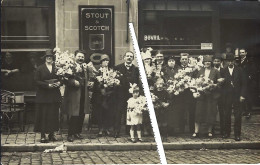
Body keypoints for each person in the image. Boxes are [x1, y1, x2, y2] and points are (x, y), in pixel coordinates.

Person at [34, 49, 62, 143]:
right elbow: (36, 81)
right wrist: (47, 85)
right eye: (47, 57)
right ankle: (43, 135)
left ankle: (52, 134)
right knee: (44, 115)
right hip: (44, 96)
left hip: (54, 95)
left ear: (53, 58)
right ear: (45, 58)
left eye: (51, 57)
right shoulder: (40, 68)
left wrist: (59, 83)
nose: (49, 58)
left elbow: (62, 78)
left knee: (53, 114)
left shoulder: (57, 68)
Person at [62, 50, 91, 142]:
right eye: (79, 56)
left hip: (83, 93)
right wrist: (73, 82)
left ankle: (77, 132)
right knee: (74, 114)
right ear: (75, 57)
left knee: (82, 114)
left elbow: (88, 78)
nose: (80, 58)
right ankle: (70, 134)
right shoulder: (70, 66)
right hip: (74, 94)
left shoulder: (85, 67)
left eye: (82, 57)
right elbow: (65, 79)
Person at [192, 55, 222, 138]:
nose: (207, 63)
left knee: (210, 113)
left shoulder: (215, 71)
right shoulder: (200, 70)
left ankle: (209, 131)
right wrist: (197, 89)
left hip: (211, 96)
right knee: (199, 113)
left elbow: (219, 84)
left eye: (209, 61)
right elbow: (195, 82)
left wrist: (213, 85)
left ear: (211, 63)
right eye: (206, 61)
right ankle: (196, 131)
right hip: (201, 96)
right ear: (203, 63)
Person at [114, 51, 140, 138]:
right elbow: (114, 81)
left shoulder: (136, 69)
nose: (129, 58)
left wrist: (135, 88)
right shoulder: (117, 68)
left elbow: (137, 81)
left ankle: (128, 130)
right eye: (127, 56)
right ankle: (116, 131)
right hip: (120, 94)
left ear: (133, 59)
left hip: (131, 95)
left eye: (131, 56)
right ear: (124, 58)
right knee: (119, 112)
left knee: (130, 112)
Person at [221, 54, 247, 141]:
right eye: (228, 61)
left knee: (238, 115)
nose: (230, 62)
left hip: (237, 96)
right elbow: (221, 85)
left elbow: (244, 84)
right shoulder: (223, 71)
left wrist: (242, 95)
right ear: (226, 61)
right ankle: (227, 133)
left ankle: (237, 134)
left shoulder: (240, 70)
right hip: (227, 96)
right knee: (226, 115)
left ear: (234, 61)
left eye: (232, 61)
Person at [92, 54, 116, 137]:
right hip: (99, 95)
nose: (106, 62)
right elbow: (94, 83)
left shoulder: (111, 70)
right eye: (104, 61)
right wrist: (100, 86)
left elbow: (114, 80)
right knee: (100, 112)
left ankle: (107, 128)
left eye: (107, 60)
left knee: (108, 112)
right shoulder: (98, 70)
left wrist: (111, 85)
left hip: (109, 94)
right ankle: (101, 129)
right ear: (101, 62)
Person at [174, 53, 196, 134]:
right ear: (180, 60)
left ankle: (192, 129)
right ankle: (181, 129)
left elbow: (195, 79)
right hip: (180, 93)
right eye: (182, 59)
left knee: (191, 111)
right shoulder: (177, 68)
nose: (184, 60)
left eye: (185, 59)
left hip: (190, 93)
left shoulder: (192, 69)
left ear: (188, 60)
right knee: (181, 110)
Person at [239, 48, 258, 118]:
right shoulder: (238, 61)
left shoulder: (250, 61)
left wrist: (250, 77)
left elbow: (253, 71)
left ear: (246, 53)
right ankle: (244, 111)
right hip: (241, 82)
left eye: (243, 52)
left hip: (248, 83)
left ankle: (249, 111)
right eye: (240, 53)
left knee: (248, 97)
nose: (241, 54)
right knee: (242, 96)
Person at [164, 56, 180, 135]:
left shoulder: (178, 69)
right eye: (170, 61)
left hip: (176, 93)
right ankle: (167, 129)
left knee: (175, 111)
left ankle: (174, 129)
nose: (171, 62)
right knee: (167, 111)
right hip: (167, 93)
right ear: (167, 62)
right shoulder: (164, 70)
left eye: (173, 61)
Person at [213, 54, 225, 136]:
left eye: (218, 61)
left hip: (222, 94)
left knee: (222, 112)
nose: (216, 62)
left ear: (221, 62)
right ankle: (212, 129)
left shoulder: (224, 70)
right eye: (215, 61)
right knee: (213, 111)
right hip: (213, 93)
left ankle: (223, 130)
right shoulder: (210, 70)